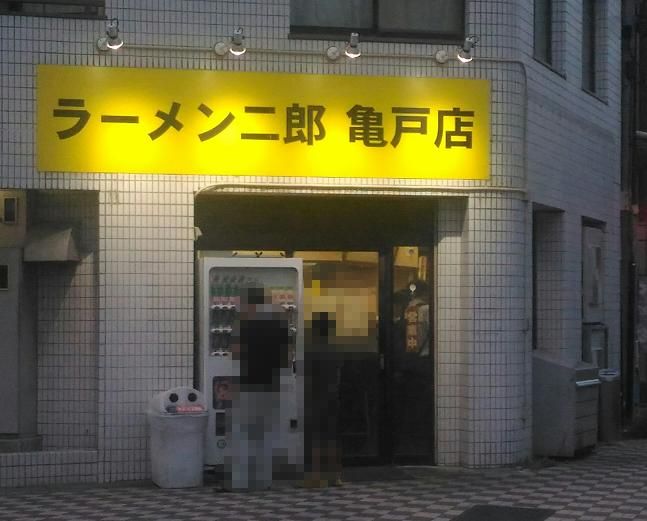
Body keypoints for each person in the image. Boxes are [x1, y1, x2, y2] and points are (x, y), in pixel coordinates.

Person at [225, 286, 290, 491]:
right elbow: (287, 354)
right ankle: (263, 481)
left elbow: (236, 352)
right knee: (265, 435)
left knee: (242, 434)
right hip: (272, 385)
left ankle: (240, 482)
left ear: (249, 303)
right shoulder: (279, 321)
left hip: (248, 384)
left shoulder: (244, 322)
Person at [303, 311, 343, 488]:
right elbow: (338, 372)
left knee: (316, 437)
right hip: (332, 396)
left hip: (316, 396)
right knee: (332, 437)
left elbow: (306, 374)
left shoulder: (312, 349)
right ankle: (335, 477)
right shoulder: (335, 348)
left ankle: (316, 477)